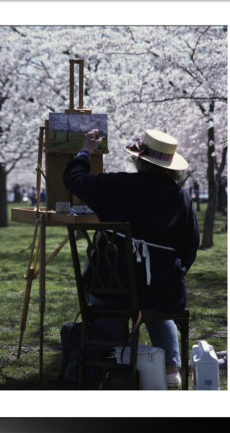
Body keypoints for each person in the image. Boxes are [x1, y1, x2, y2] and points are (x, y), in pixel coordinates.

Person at [63, 128, 199, 389]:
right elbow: (190, 247)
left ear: (139, 160)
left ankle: (119, 360)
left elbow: (74, 179)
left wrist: (85, 151)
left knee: (114, 298)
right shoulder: (180, 197)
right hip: (162, 290)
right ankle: (171, 368)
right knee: (156, 302)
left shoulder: (115, 185)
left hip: (112, 287)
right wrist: (170, 272)